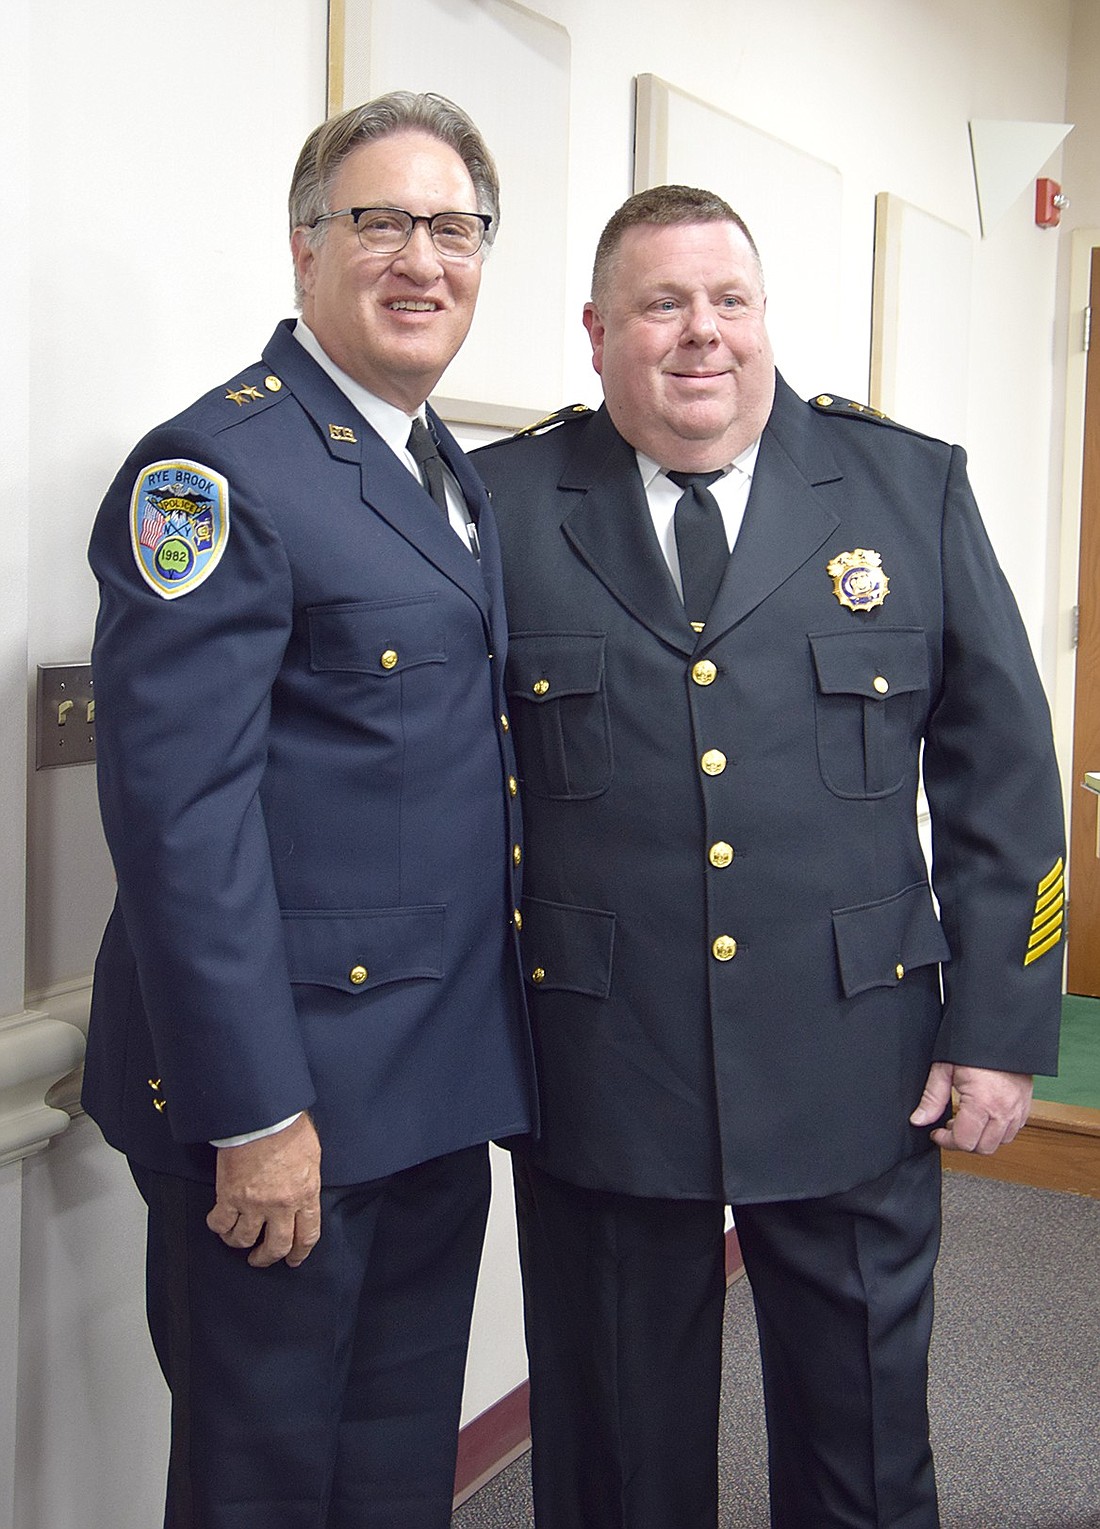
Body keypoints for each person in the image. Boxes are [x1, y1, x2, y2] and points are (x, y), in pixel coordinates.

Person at [472, 184, 1064, 1529]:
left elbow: (1006, 777)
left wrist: (1000, 1023)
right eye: (661, 304)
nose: (701, 333)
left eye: (728, 300)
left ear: (763, 317)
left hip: (856, 1043)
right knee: (616, 1447)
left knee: (863, 1423)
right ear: (598, 331)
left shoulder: (908, 488)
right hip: (601, 1052)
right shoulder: (504, 505)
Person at [84, 91, 534, 1529]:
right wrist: (254, 1109)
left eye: (454, 227)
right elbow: (179, 824)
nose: (423, 258)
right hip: (282, 1110)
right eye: (381, 222)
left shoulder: (442, 466)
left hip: (425, 1091)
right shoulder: (214, 470)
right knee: (264, 1485)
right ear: (303, 248)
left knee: (394, 1472)